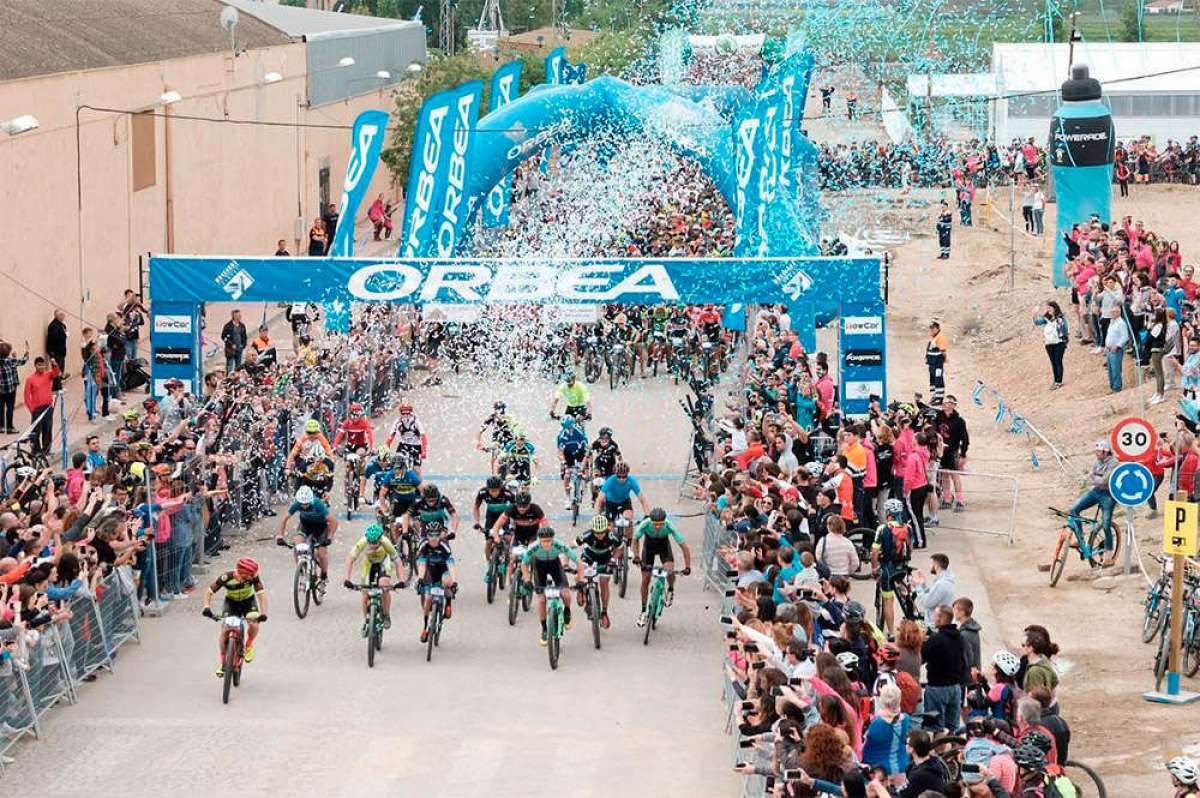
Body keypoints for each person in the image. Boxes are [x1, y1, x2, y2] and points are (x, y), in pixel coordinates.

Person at [1052, 440, 1117, 569]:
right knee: (1074, 509)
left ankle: (1109, 554)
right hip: (1096, 491)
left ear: (1105, 452)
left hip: (1108, 495)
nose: (1096, 454)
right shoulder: (1098, 462)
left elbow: (1105, 479)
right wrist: (1095, 480)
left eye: (1099, 451)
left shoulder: (1114, 463)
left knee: (1105, 524)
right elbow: (1089, 478)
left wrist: (1095, 479)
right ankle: (1080, 538)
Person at [201, 557, 268, 677]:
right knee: (225, 630)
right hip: (231, 603)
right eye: (250, 575)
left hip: (248, 602)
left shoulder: (253, 578)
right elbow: (209, 592)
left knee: (253, 623)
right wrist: (206, 607)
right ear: (241, 572)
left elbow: (261, 595)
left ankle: (248, 645)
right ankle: (223, 662)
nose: (253, 577)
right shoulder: (227, 577)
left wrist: (263, 613)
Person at [631, 507, 692, 626]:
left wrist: (687, 567)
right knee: (645, 579)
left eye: (660, 524)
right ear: (651, 521)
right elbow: (635, 540)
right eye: (655, 524)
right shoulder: (645, 524)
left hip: (664, 547)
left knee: (670, 571)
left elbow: (684, 547)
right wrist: (636, 556)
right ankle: (643, 611)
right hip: (649, 548)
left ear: (664, 521)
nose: (658, 527)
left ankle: (670, 589)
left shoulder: (669, 525)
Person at [520, 526, 578, 646]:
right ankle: (544, 629)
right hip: (539, 566)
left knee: (565, 593)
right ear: (539, 540)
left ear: (553, 539)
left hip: (554, 565)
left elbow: (577, 560)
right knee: (541, 599)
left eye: (549, 541)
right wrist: (527, 580)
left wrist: (581, 578)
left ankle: (567, 611)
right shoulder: (533, 547)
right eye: (544, 541)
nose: (546, 543)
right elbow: (524, 564)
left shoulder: (559, 545)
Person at [343, 523, 402, 633]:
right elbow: (350, 559)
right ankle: (366, 620)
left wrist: (401, 580)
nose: (373, 545)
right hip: (368, 564)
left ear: (381, 539)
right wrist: (347, 579)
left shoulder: (386, 543)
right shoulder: (362, 542)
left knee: (384, 585)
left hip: (383, 563)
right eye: (370, 542)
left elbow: (398, 562)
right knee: (365, 594)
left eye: (376, 542)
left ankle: (386, 614)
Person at [276, 485, 339, 584]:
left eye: (307, 504)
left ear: (311, 500)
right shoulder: (297, 504)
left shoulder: (317, 504)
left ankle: (324, 574)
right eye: (302, 504)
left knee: (322, 552)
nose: (304, 506)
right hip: (305, 525)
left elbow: (334, 522)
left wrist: (330, 538)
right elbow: (284, 519)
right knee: (297, 544)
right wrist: (280, 536)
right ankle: (301, 571)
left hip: (321, 526)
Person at [921, 604, 967, 733]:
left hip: (937, 689)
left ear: (940, 619)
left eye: (935, 616)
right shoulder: (960, 637)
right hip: (955, 689)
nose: (933, 619)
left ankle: (938, 752)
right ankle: (954, 750)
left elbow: (921, 657)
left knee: (935, 728)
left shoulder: (936, 639)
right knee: (953, 727)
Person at [871, 498, 913, 637]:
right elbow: (910, 548)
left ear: (888, 512)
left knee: (888, 601)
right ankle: (911, 620)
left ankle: (890, 633)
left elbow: (875, 551)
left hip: (887, 570)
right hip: (902, 568)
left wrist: (874, 568)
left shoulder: (882, 529)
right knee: (906, 595)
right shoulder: (908, 528)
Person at [575, 514, 623, 629]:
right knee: (580, 571)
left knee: (604, 584)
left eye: (602, 532)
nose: (600, 535)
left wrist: (613, 559)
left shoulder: (613, 536)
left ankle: (604, 612)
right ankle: (580, 588)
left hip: (605, 557)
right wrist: (566, 561)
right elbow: (570, 546)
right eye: (597, 532)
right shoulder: (586, 535)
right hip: (589, 555)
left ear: (606, 529)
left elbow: (620, 549)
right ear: (592, 530)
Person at [415, 521, 457, 643]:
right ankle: (425, 627)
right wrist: (420, 579)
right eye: (431, 535)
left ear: (440, 535)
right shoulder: (423, 545)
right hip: (430, 571)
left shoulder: (444, 546)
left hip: (443, 569)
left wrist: (454, 582)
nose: (433, 538)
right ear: (426, 535)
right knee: (428, 598)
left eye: (436, 535)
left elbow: (451, 564)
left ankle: (448, 603)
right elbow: (421, 564)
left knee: (447, 582)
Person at [862, 684, 911, 783]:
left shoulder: (877, 724)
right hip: (902, 766)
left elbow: (865, 746)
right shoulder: (906, 719)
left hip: (879, 771)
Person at [594, 461, 653, 543]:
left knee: (628, 521)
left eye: (624, 476)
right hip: (610, 504)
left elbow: (642, 499)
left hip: (624, 503)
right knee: (610, 528)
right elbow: (599, 500)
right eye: (619, 476)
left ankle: (628, 544)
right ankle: (613, 543)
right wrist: (597, 515)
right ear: (615, 474)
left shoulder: (631, 481)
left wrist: (647, 515)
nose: (622, 479)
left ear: (627, 475)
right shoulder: (610, 481)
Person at [934, 395, 969, 512]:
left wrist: (963, 455)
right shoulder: (938, 417)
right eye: (943, 403)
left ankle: (960, 500)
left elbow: (965, 439)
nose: (944, 404)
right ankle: (947, 498)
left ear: (952, 405)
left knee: (955, 476)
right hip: (941, 451)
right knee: (944, 475)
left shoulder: (959, 421)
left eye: (947, 403)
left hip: (953, 451)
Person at [23, 356, 60, 454]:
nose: (42, 367)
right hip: (37, 410)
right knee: (36, 431)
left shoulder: (48, 375)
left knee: (47, 430)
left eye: (43, 365)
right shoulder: (30, 379)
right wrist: (32, 410)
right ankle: (36, 451)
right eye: (39, 365)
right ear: (35, 366)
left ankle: (46, 450)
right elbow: (26, 396)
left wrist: (54, 363)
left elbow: (56, 373)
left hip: (48, 407)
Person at [898, 730, 950, 797]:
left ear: (912, 749)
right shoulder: (935, 761)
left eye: (907, 743)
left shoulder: (919, 774)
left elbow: (901, 794)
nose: (905, 745)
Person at [912, 552, 955, 627]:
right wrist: (923, 584)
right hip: (939, 621)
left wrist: (917, 586)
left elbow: (927, 602)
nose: (930, 566)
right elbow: (932, 595)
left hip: (936, 625)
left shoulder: (942, 584)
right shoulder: (943, 580)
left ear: (936, 565)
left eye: (932, 564)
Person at [556, 414, 589, 510]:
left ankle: (583, 484)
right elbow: (560, 452)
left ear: (573, 425)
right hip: (568, 454)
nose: (569, 429)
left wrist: (583, 464)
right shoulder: (561, 436)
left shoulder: (579, 433)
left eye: (570, 427)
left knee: (584, 471)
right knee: (567, 475)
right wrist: (563, 462)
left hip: (580, 452)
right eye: (566, 428)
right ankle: (567, 497)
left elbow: (587, 450)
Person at [1034, 301, 1068, 389]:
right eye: (1047, 308)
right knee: (1053, 362)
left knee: (1058, 361)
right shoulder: (1046, 319)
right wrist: (1034, 314)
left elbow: (1065, 329)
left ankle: (1059, 381)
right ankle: (1056, 380)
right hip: (1049, 343)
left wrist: (1065, 341)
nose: (1048, 309)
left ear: (1055, 308)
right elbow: (1037, 322)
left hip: (1059, 342)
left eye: (1050, 308)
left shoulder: (1061, 318)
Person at [386, 401, 427, 473]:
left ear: (410, 412)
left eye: (407, 413)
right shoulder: (398, 422)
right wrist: (386, 447)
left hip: (416, 445)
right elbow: (391, 436)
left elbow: (423, 436)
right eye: (403, 413)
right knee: (397, 463)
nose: (405, 415)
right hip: (403, 444)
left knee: (416, 468)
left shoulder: (416, 421)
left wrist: (424, 451)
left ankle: (419, 483)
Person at [0, 340, 30, 433]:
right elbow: (23, 361)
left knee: (0, 407)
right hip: (10, 389)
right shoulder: (10, 361)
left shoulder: (8, 360)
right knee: (10, 408)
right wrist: (27, 351)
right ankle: (9, 427)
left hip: (0, 389)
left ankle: (1, 426)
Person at [925, 320, 948, 406]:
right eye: (930, 329)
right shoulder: (933, 338)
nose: (931, 330)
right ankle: (934, 396)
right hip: (932, 363)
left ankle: (939, 398)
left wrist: (945, 358)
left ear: (938, 329)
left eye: (933, 328)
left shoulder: (940, 337)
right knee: (933, 380)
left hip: (937, 363)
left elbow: (943, 350)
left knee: (938, 380)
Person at [46, 309, 68, 378]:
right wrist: (65, 335)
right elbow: (55, 338)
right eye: (61, 315)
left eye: (63, 315)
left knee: (61, 369)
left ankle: (60, 386)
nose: (63, 316)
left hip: (61, 351)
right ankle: (56, 387)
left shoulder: (61, 325)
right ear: (56, 316)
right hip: (56, 351)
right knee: (56, 369)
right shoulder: (54, 325)